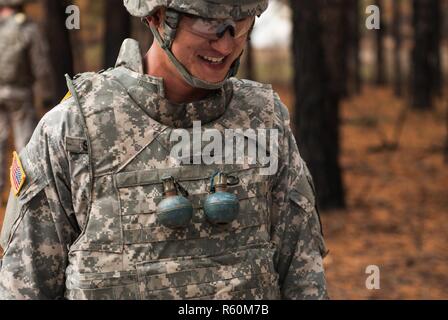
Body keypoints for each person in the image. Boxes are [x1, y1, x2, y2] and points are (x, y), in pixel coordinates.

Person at [0, 0, 329, 300]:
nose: (227, 43)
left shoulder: (264, 120)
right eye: (208, 23)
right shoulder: (74, 130)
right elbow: (24, 287)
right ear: (158, 17)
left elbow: (303, 279)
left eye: (240, 23)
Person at [0, 0, 53, 202]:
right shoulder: (28, 28)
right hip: (20, 93)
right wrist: (47, 94)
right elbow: (40, 63)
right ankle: (24, 194)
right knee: (25, 143)